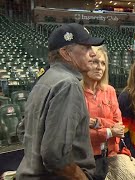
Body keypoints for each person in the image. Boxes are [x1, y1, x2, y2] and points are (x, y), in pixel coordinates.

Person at [16, 23, 104, 179]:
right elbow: (55, 157)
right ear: (66, 53)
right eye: (86, 48)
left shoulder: (45, 79)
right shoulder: (68, 84)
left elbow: (22, 131)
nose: (93, 54)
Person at [82, 45, 124, 179]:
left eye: (103, 63)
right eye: (94, 62)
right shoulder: (75, 90)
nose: (99, 67)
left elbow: (119, 126)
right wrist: (109, 131)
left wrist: (97, 123)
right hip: (85, 158)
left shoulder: (110, 90)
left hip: (110, 155)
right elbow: (80, 133)